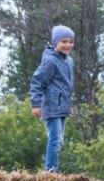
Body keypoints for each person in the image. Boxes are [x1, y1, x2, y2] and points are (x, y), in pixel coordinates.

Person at [30, 25, 75, 172]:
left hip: (62, 106)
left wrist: (69, 104)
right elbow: (37, 81)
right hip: (51, 105)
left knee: (60, 142)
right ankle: (50, 170)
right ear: (56, 42)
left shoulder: (69, 62)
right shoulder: (50, 61)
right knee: (55, 140)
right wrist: (36, 104)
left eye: (70, 42)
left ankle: (53, 168)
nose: (68, 45)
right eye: (64, 41)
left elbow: (68, 86)